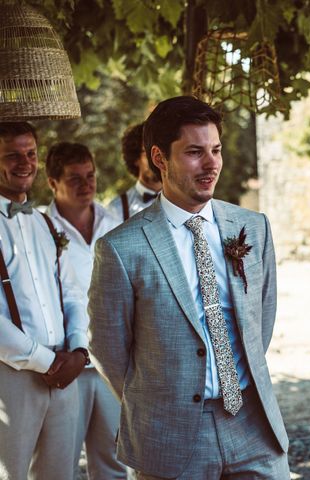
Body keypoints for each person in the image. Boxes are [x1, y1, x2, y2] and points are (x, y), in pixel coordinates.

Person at [88, 96, 289, 479]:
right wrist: (160, 401)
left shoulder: (253, 227)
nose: (211, 163)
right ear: (159, 158)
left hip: (253, 424)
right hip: (171, 438)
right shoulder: (120, 248)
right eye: (195, 152)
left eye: (215, 150)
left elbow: (262, 315)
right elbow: (108, 349)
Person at [0, 123, 90, 479]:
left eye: (31, 154)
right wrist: (45, 361)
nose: (25, 163)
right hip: (11, 375)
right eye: (12, 155)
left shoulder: (46, 224)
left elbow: (72, 293)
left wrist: (80, 350)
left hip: (65, 372)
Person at [45, 142, 125, 479]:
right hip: (65, 364)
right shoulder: (40, 227)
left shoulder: (114, 221)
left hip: (111, 364)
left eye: (90, 176)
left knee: (114, 462)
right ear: (52, 182)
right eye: (75, 178)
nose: (86, 185)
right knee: (58, 464)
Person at [107, 123, 162, 221]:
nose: (156, 160)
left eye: (160, 153)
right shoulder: (117, 209)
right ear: (136, 158)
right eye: (149, 153)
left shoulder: (184, 201)